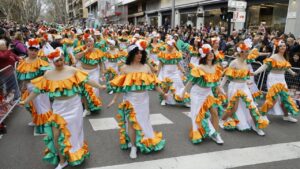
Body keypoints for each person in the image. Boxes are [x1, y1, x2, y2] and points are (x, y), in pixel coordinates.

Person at [20, 48, 105, 169]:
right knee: (56, 134)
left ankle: (75, 152)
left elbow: (87, 80)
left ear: (63, 58)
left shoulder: (72, 70)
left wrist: (100, 86)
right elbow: (37, 90)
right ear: (52, 62)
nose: (59, 63)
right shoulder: (48, 74)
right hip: (59, 107)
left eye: (60, 60)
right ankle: (62, 160)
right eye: (56, 61)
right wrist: (25, 101)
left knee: (74, 132)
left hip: (74, 106)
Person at [107, 41, 167, 159]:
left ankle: (144, 138)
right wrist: (114, 99)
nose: (140, 55)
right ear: (131, 54)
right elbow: (121, 85)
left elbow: (154, 83)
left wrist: (162, 93)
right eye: (137, 53)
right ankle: (133, 146)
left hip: (143, 99)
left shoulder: (146, 67)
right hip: (130, 99)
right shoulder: (124, 68)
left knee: (143, 121)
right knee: (131, 122)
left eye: (141, 53)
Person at [219, 41, 269, 135]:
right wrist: (221, 87)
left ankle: (256, 127)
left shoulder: (246, 61)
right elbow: (226, 76)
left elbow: (255, 56)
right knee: (234, 108)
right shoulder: (233, 63)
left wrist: (249, 80)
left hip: (244, 86)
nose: (248, 53)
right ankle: (222, 120)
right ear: (241, 52)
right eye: (246, 51)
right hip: (234, 87)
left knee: (252, 106)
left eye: (248, 51)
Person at [181, 44, 224, 144]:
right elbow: (191, 82)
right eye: (208, 53)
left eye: (211, 52)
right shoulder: (199, 67)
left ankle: (216, 134)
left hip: (208, 93)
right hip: (197, 93)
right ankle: (197, 132)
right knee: (197, 114)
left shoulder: (215, 67)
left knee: (215, 113)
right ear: (204, 55)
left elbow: (215, 82)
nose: (210, 54)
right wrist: (184, 92)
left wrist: (220, 89)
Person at [254, 40, 299, 122]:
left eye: (284, 46)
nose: (283, 47)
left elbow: (286, 67)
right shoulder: (274, 56)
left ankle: (286, 116)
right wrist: (255, 72)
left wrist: (293, 73)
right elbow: (264, 66)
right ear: (278, 48)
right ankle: (263, 115)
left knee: (285, 98)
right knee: (273, 98)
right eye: (281, 46)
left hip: (282, 79)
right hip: (273, 79)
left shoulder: (284, 57)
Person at [16, 38, 52, 133]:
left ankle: (45, 124)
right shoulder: (23, 62)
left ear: (38, 51)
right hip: (29, 87)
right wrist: (23, 86)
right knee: (31, 106)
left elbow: (48, 74)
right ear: (27, 50)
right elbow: (25, 76)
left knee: (42, 107)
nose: (33, 52)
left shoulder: (41, 62)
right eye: (31, 50)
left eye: (35, 50)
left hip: (40, 88)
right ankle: (36, 120)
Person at [75, 35, 105, 116]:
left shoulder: (98, 51)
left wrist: (102, 73)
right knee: (84, 90)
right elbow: (76, 57)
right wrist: (85, 51)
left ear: (93, 42)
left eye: (90, 41)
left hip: (94, 72)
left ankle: (94, 106)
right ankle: (86, 108)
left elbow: (101, 63)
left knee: (94, 90)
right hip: (83, 72)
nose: (88, 43)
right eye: (86, 41)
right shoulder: (81, 49)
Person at [157, 39, 190, 107]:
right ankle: (164, 100)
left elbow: (178, 64)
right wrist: (157, 74)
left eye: (171, 45)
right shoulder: (162, 53)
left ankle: (183, 100)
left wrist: (182, 70)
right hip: (166, 72)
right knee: (166, 87)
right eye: (169, 45)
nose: (170, 47)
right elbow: (160, 64)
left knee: (180, 85)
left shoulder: (176, 53)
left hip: (175, 72)